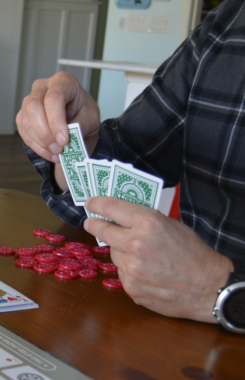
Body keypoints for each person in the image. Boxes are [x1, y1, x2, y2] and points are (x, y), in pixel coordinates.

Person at [16, 0, 245, 325]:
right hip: (173, 326)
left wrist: (219, 289)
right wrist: (74, 141)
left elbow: (206, 284)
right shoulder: (228, 21)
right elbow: (132, 158)